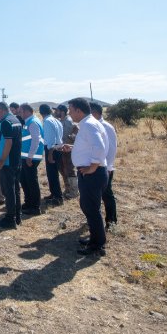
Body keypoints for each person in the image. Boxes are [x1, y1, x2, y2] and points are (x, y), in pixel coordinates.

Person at [62, 97, 108, 256]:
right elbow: (91, 146)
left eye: (70, 110)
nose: (69, 113)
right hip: (91, 173)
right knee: (89, 207)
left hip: (92, 174)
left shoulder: (88, 125)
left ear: (79, 111)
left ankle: (97, 245)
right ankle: (95, 238)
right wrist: (74, 147)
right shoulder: (89, 123)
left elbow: (100, 147)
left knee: (92, 209)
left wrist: (92, 167)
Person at [0, 101, 23, 229]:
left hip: (7, 162)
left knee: (8, 191)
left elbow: (8, 143)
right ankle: (17, 215)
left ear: (1, 110)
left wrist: (1, 161)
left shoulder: (5, 122)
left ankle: (10, 219)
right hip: (16, 161)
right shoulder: (15, 119)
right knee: (15, 189)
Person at [90, 102, 118, 229]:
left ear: (95, 113)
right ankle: (97, 221)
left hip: (104, 168)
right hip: (95, 166)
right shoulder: (94, 126)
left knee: (107, 195)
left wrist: (108, 167)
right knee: (96, 196)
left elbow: (111, 150)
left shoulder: (105, 127)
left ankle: (111, 221)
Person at [19, 104, 45, 215]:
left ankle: (35, 207)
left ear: (26, 111)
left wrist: (30, 156)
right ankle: (28, 203)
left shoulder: (33, 122)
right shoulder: (28, 122)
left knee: (31, 182)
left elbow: (36, 141)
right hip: (26, 157)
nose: (19, 114)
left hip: (31, 158)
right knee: (25, 181)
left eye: (20, 111)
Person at [39, 104, 64, 206]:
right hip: (58, 148)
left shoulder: (48, 121)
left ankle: (57, 197)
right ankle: (54, 194)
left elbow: (51, 140)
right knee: (53, 174)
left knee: (52, 174)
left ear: (41, 112)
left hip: (52, 149)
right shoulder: (56, 120)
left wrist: (50, 153)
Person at [55, 104, 78, 198]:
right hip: (63, 149)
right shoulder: (62, 121)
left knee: (70, 170)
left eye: (57, 111)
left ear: (62, 112)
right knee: (63, 169)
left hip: (67, 150)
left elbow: (66, 137)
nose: (55, 113)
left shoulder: (67, 121)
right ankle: (68, 189)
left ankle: (74, 191)